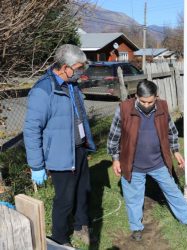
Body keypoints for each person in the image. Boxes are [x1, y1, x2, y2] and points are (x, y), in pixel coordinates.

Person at [107, 80, 187, 241]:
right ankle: (136, 227)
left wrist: (175, 151)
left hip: (158, 163)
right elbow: (113, 138)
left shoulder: (162, 108)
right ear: (136, 96)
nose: (147, 105)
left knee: (173, 192)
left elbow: (171, 131)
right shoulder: (124, 109)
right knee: (133, 198)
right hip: (132, 165)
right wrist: (115, 159)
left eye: (150, 101)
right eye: (143, 101)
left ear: (156, 97)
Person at [24, 44, 96, 246]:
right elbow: (31, 130)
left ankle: (81, 225)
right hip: (60, 156)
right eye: (79, 68)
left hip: (79, 149)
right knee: (64, 201)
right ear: (65, 67)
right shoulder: (43, 91)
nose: (81, 73)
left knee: (83, 190)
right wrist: (37, 165)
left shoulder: (72, 85)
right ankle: (60, 240)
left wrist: (85, 143)